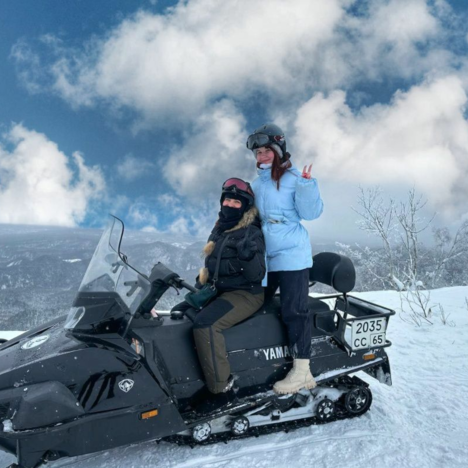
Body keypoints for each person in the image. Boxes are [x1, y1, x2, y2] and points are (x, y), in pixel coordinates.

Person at [246, 124, 324, 395]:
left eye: (267, 150)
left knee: (295, 311)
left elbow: (311, 213)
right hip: (267, 255)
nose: (262, 155)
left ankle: (302, 371)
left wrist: (306, 185)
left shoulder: (295, 178)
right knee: (255, 304)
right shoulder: (257, 184)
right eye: (258, 151)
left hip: (292, 253)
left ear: (278, 151)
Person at [176, 178, 266, 396]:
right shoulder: (220, 228)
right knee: (180, 313)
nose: (230, 205)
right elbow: (211, 264)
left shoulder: (251, 232)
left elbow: (257, 274)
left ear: (245, 206)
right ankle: (188, 377)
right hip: (219, 290)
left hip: (245, 294)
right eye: (228, 201)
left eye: (237, 203)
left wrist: (248, 256)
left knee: (206, 324)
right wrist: (198, 289)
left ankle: (221, 387)